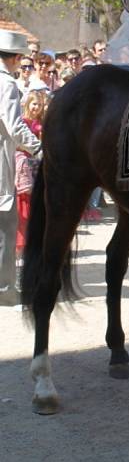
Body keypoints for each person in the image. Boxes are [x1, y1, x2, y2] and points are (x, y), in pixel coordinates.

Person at [0, 31, 41, 306]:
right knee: (5, 227)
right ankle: (4, 291)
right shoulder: (6, 84)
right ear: (15, 58)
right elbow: (15, 127)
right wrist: (39, 148)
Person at [14, 90, 48, 284]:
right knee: (22, 222)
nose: (36, 108)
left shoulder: (40, 125)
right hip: (21, 177)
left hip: (34, 176)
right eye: (34, 104)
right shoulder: (23, 124)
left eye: (39, 104)